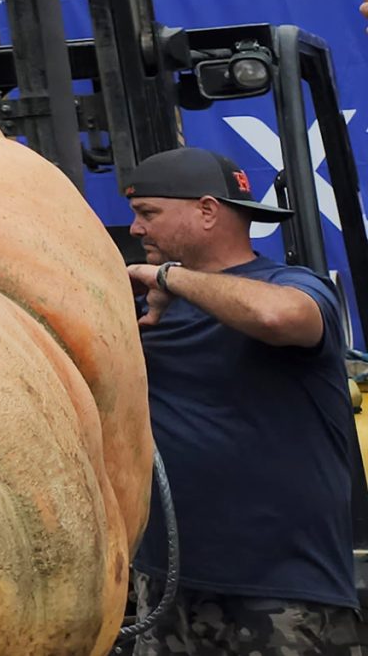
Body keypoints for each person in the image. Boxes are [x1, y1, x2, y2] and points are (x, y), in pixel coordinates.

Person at [124, 146, 363, 654]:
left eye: (148, 213)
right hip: (167, 585)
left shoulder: (291, 285)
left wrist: (171, 278)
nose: (135, 230)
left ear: (207, 211)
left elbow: (281, 319)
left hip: (280, 592)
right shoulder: (142, 308)